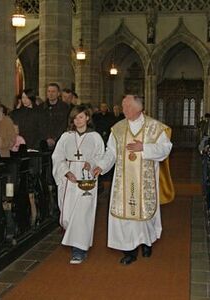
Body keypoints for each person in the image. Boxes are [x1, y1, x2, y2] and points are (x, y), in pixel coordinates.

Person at [93, 95, 173, 265]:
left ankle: (146, 242)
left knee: (144, 213)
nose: (123, 110)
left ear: (138, 108)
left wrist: (144, 147)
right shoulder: (118, 128)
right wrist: (101, 165)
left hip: (145, 180)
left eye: (127, 106)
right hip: (123, 181)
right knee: (125, 215)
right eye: (123, 106)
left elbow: (165, 148)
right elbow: (111, 152)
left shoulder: (154, 127)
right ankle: (129, 250)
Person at [52, 104, 105, 264]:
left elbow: (100, 155)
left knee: (82, 215)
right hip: (69, 177)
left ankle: (79, 250)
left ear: (87, 118)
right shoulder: (66, 136)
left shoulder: (95, 137)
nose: (78, 120)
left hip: (86, 178)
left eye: (81, 117)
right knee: (67, 216)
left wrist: (92, 163)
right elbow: (57, 156)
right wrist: (66, 171)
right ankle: (75, 241)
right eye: (75, 118)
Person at [39, 83, 70, 150]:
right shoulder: (41, 107)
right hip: (44, 141)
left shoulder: (65, 107)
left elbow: (64, 124)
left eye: (53, 91)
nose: (51, 94)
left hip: (60, 140)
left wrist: (55, 138)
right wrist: (47, 138)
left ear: (58, 93)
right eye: (49, 91)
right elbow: (40, 124)